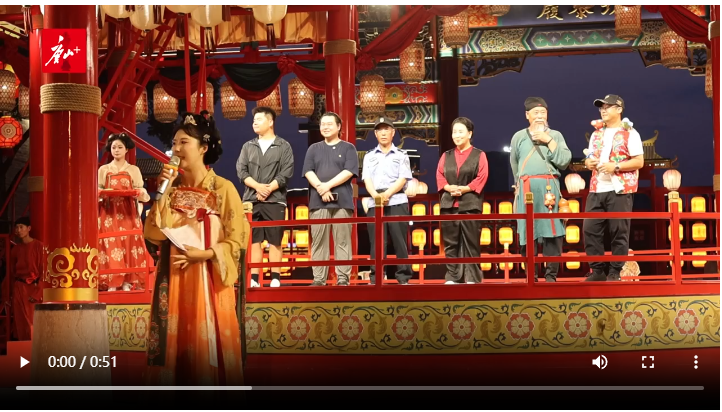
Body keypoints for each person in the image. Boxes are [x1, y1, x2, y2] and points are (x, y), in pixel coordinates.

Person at [144, 111, 246, 385]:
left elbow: (237, 240)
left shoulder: (222, 189)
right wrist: (162, 192)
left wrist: (206, 254)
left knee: (208, 343)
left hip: (209, 279)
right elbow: (153, 233)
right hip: (174, 279)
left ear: (203, 148)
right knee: (173, 342)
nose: (176, 149)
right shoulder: (171, 191)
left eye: (184, 142)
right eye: (174, 143)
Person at [510, 97, 572, 282]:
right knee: (527, 231)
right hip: (526, 188)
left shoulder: (556, 135)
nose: (539, 116)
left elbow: (564, 161)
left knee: (553, 230)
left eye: (543, 112)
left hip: (548, 188)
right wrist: (517, 185)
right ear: (527, 115)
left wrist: (548, 140)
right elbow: (514, 164)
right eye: (535, 113)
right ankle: (531, 276)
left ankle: (551, 276)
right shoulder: (519, 136)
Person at [583, 94, 644, 282]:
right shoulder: (596, 134)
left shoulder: (630, 133)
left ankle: (615, 272)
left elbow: (639, 161)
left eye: (607, 107)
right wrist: (588, 163)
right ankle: (597, 271)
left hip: (620, 188)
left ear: (619, 109)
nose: (603, 110)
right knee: (590, 229)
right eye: (601, 107)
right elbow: (589, 157)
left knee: (619, 231)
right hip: (596, 187)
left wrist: (615, 166)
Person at [236, 106, 294, 288]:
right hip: (251, 200)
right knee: (254, 240)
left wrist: (268, 190)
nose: (255, 123)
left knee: (275, 239)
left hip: (275, 199)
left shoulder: (283, 146)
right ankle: (254, 278)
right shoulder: (248, 146)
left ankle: (275, 278)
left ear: (270, 122)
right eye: (254, 120)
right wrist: (258, 187)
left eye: (259, 119)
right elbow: (241, 172)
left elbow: (286, 172)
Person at [302, 112, 359, 286]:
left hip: (342, 201)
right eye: (322, 124)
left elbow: (349, 172)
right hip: (318, 201)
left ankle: (343, 278)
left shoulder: (348, 148)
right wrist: (321, 188)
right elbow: (308, 171)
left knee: (343, 240)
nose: (325, 127)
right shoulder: (313, 148)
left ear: (339, 126)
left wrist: (327, 186)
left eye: (329, 124)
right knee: (319, 241)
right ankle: (319, 279)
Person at [362, 117, 413, 285]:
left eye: (387, 129)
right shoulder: (369, 156)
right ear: (375, 134)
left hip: (397, 200)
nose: (383, 133)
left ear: (393, 133)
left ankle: (403, 277)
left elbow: (403, 178)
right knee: (376, 242)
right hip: (375, 201)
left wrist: (388, 194)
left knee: (400, 241)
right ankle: (376, 277)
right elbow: (367, 179)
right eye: (380, 130)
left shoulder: (402, 155)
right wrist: (376, 196)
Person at [436, 117, 488, 284]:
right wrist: (448, 187)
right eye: (454, 132)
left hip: (470, 204)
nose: (456, 135)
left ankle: (472, 277)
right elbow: (440, 175)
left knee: (471, 242)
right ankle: (453, 276)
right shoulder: (446, 155)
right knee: (450, 243)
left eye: (460, 131)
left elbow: (482, 176)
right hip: (449, 204)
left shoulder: (479, 155)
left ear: (469, 134)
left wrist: (465, 189)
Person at [98, 133, 151, 291]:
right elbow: (98, 189)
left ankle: (128, 280)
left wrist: (139, 193)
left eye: (120, 147)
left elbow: (140, 189)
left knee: (128, 243)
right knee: (111, 244)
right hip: (109, 211)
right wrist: (102, 193)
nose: (116, 150)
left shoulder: (133, 169)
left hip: (128, 211)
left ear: (127, 149)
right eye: (113, 147)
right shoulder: (104, 169)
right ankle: (112, 280)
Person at [1, 217, 43, 341]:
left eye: (21, 227)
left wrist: (38, 293)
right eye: (16, 227)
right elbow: (11, 273)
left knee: (32, 321)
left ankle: (34, 349)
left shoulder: (39, 246)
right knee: (19, 322)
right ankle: (23, 350)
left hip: (33, 287)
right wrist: (6, 294)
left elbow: (44, 272)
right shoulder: (16, 249)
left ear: (29, 228)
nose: (18, 230)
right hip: (19, 288)